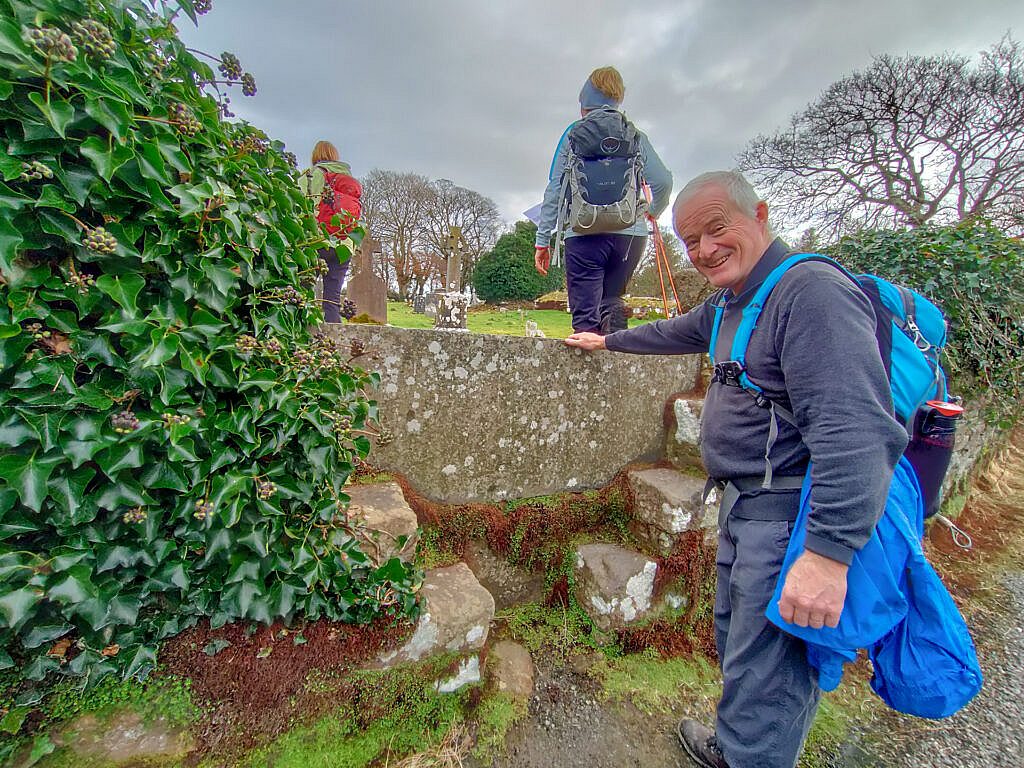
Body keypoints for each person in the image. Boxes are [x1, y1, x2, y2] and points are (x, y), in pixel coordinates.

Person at [565, 171, 908, 768]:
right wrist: (608, 341)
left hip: (789, 522)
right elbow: (677, 331)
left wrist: (827, 556)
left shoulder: (810, 293)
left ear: (761, 215)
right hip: (747, 509)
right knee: (744, 648)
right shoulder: (737, 299)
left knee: (771, 671)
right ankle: (736, 747)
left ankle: (749, 756)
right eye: (690, 240)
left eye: (716, 228)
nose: (704, 250)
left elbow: (856, 432)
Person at [534, 66, 672, 334]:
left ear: (583, 102)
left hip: (583, 232)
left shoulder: (573, 134)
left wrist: (543, 240)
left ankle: (587, 347)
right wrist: (653, 211)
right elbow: (663, 182)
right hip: (629, 234)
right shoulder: (633, 134)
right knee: (611, 301)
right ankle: (614, 336)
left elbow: (555, 189)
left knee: (586, 318)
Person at [298, 140, 362, 323]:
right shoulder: (348, 179)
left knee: (303, 293)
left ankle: (304, 333)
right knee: (332, 300)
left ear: (315, 156)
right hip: (344, 245)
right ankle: (333, 337)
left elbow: (301, 208)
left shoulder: (311, 176)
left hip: (317, 241)